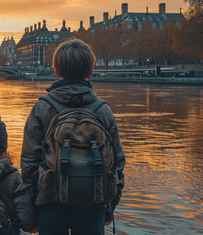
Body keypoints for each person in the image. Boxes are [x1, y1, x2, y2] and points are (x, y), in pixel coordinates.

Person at [21, 39, 125, 235]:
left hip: (50, 205)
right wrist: (108, 208)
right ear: (90, 72)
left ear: (56, 71)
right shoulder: (102, 110)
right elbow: (117, 163)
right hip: (93, 205)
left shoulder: (42, 108)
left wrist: (32, 212)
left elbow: (29, 164)